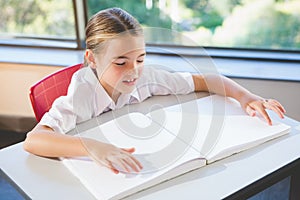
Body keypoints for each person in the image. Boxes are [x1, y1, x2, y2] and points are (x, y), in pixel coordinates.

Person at [23, 7, 286, 174]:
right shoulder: (81, 92)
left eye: (140, 58)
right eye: (120, 62)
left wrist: (246, 97)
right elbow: (34, 140)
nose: (133, 71)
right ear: (92, 59)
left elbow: (206, 80)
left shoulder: (146, 77)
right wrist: (93, 147)